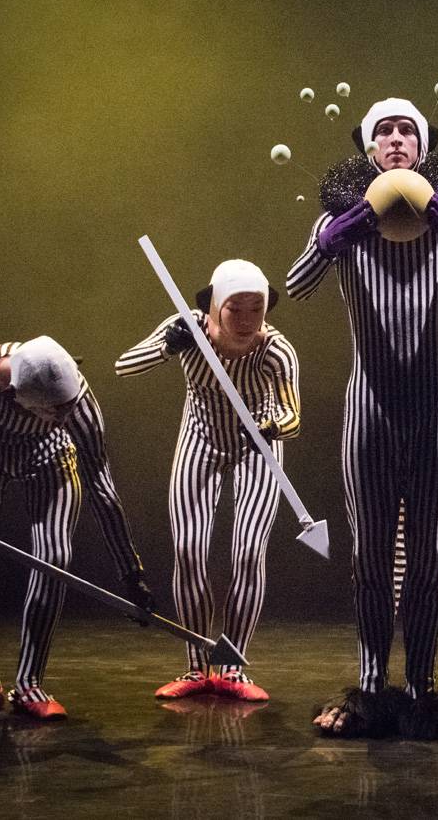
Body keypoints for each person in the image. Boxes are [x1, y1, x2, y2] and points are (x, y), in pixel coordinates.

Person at [288, 97, 438, 738]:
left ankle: (422, 686)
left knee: (430, 553)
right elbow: (297, 286)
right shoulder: (340, 222)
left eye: (406, 130)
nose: (395, 139)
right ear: (368, 149)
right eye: (382, 131)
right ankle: (370, 682)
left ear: (422, 147)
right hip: (371, 407)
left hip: (436, 403)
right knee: (371, 556)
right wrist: (344, 228)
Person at [0, 335, 153, 721]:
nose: (67, 416)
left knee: (54, 558)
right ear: (15, 394)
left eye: (69, 406)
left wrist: (131, 573)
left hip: (50, 460)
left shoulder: (77, 402)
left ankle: (30, 683)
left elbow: (101, 486)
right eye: (55, 410)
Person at [116, 260, 300, 703]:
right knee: (189, 549)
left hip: (256, 450)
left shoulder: (275, 350)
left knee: (249, 552)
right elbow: (124, 366)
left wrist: (270, 428)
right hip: (199, 442)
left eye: (257, 309)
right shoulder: (188, 328)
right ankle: (197, 666)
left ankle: (232, 667)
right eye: (236, 309)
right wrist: (168, 345)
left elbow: (293, 415)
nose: (246, 320)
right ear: (216, 306)